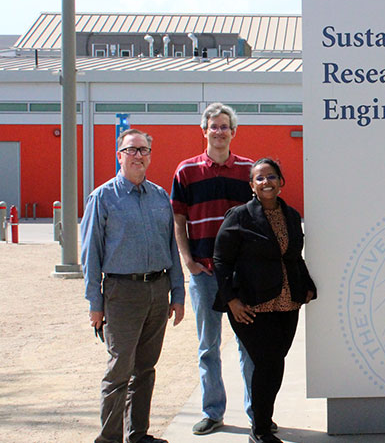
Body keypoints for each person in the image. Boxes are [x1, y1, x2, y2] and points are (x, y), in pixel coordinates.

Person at [81, 128, 186, 443]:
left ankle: (137, 433)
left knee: (146, 369)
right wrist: (95, 304)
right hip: (121, 293)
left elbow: (172, 248)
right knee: (119, 370)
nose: (138, 155)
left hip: (157, 290)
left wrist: (177, 294)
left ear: (150, 156)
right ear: (119, 156)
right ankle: (109, 438)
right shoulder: (102, 197)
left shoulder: (159, 197)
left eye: (143, 150)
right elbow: (91, 255)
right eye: (131, 150)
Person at [213, 158, 316, 443]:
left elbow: (293, 256)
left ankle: (264, 419)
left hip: (287, 302)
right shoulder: (239, 216)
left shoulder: (292, 215)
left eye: (271, 177)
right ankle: (258, 430)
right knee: (267, 363)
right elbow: (221, 260)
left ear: (281, 182)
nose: (266, 182)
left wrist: (306, 286)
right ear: (252, 186)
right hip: (251, 305)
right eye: (260, 178)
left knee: (276, 363)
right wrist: (231, 300)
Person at [171, 102, 257, 435]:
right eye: (214, 126)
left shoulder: (249, 170)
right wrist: (187, 260)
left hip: (241, 276)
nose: (219, 132)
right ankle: (213, 411)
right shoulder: (186, 171)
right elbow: (178, 217)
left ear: (233, 132)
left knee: (247, 346)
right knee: (208, 347)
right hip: (204, 273)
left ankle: (256, 413)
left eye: (225, 127)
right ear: (204, 131)